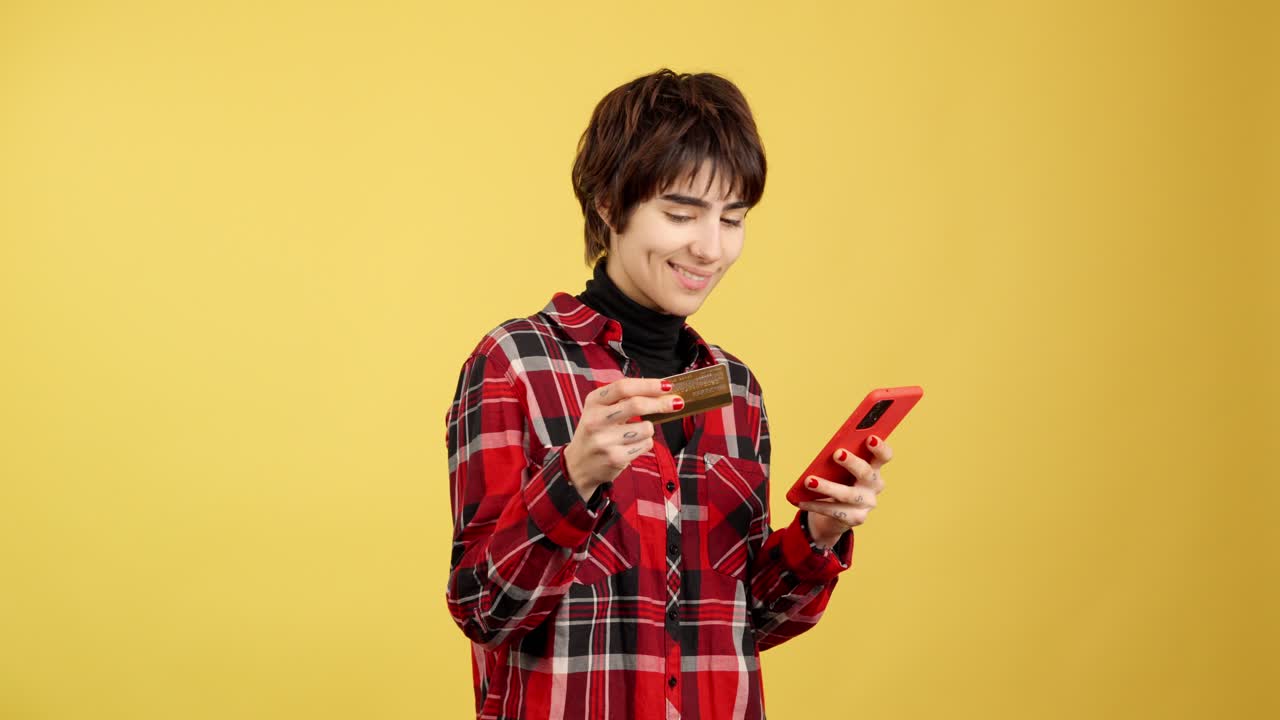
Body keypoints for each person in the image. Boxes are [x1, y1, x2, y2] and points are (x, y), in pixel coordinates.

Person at [444, 68, 895, 720]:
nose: (710, 248)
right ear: (608, 204)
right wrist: (573, 479)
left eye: (732, 218)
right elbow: (485, 611)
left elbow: (748, 626)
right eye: (681, 213)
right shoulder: (515, 365)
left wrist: (819, 534)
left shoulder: (732, 390)